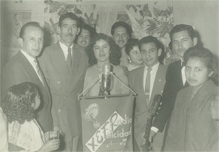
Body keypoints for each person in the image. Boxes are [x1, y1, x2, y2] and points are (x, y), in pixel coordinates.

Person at [38, 12, 88, 151]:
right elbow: (43, 92)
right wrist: (53, 122)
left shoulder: (84, 54)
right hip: (56, 117)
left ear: (78, 31)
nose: (69, 31)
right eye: (65, 26)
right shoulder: (45, 53)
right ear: (58, 29)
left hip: (77, 117)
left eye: (73, 27)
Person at [163, 46, 219, 151]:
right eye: (188, 68)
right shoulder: (181, 94)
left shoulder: (215, 95)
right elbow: (172, 133)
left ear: (210, 72)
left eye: (198, 69)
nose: (191, 74)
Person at [1, 22, 53, 133]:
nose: (37, 44)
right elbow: (15, 112)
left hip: (42, 131)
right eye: (32, 39)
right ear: (21, 42)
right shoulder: (15, 67)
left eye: (40, 39)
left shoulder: (32, 61)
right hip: (29, 136)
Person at [150, 24, 198, 140]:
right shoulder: (172, 68)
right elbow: (168, 101)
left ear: (194, 41)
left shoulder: (209, 65)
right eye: (175, 42)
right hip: (178, 130)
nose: (179, 46)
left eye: (184, 40)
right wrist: (153, 129)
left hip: (201, 130)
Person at [128, 36, 167, 151]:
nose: (147, 55)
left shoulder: (169, 72)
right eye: (143, 52)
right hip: (138, 131)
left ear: (159, 52)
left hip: (161, 131)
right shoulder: (132, 75)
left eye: (151, 51)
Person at [2, 82, 60, 152]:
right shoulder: (18, 127)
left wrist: (44, 137)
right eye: (38, 96)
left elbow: (31, 140)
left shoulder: (27, 119)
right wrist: (44, 149)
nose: (40, 97)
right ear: (31, 103)